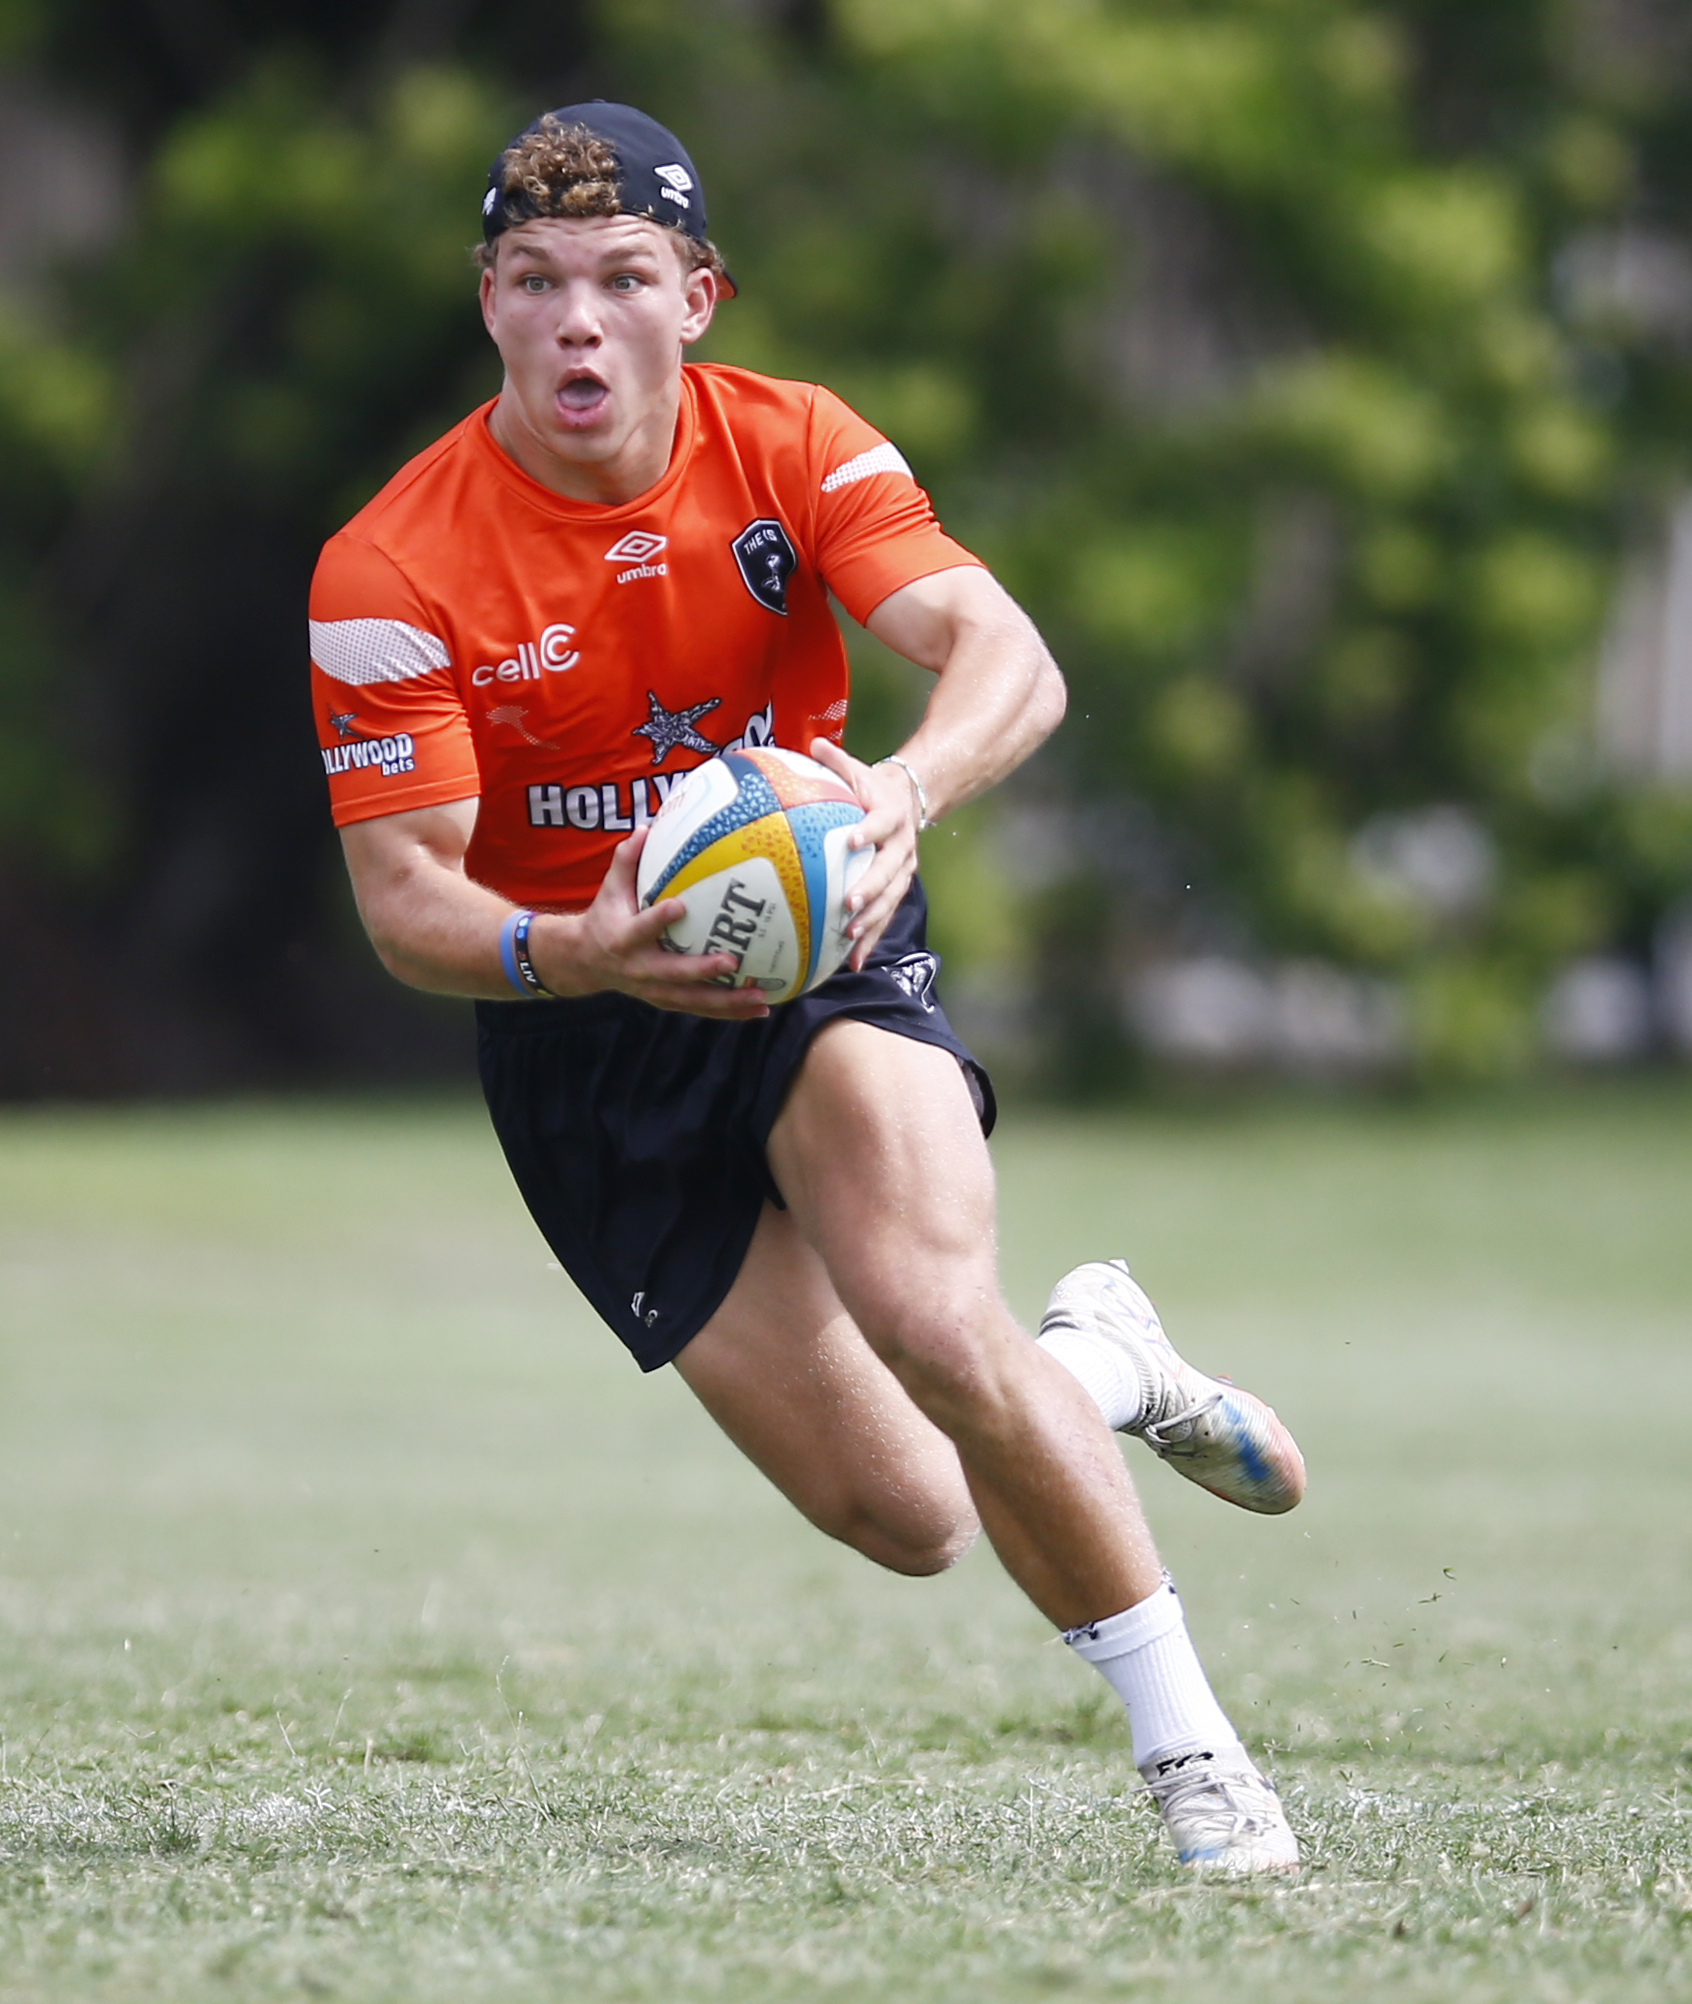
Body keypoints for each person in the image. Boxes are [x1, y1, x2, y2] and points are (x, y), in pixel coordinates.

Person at [309, 101, 1307, 1874]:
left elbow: (1004, 653)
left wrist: (903, 793)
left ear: (699, 296)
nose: (578, 321)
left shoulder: (795, 448)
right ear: (489, 302)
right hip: (581, 1035)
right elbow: (406, 905)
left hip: (823, 953)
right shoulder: (390, 569)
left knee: (933, 1322)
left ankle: (1200, 1765)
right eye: (536, 280)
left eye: (624, 278)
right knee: (912, 1511)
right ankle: (1099, 1364)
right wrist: (579, 950)